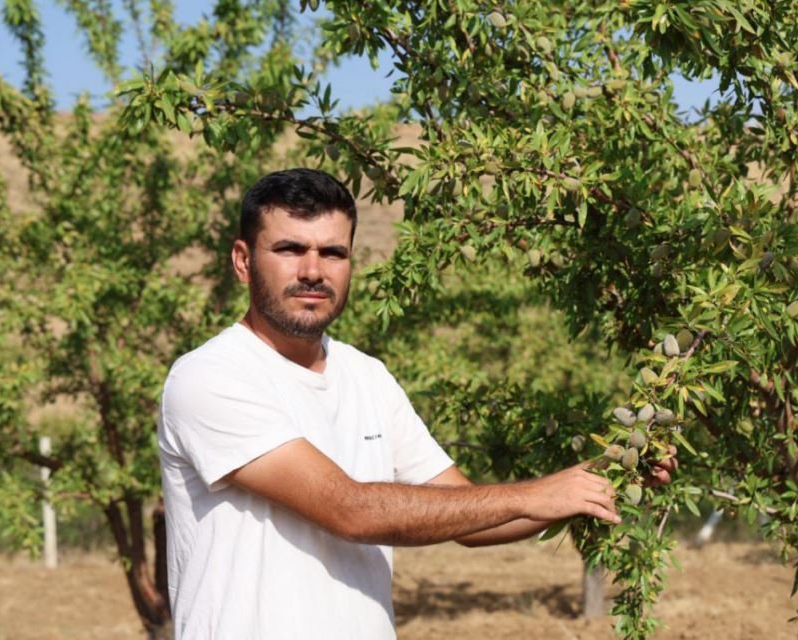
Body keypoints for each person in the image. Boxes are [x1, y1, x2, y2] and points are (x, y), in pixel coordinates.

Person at [157, 168, 678, 639]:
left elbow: (475, 517)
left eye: (333, 253)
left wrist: (599, 477)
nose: (314, 271)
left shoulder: (368, 377)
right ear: (243, 261)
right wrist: (534, 495)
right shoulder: (210, 376)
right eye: (291, 249)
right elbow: (349, 510)